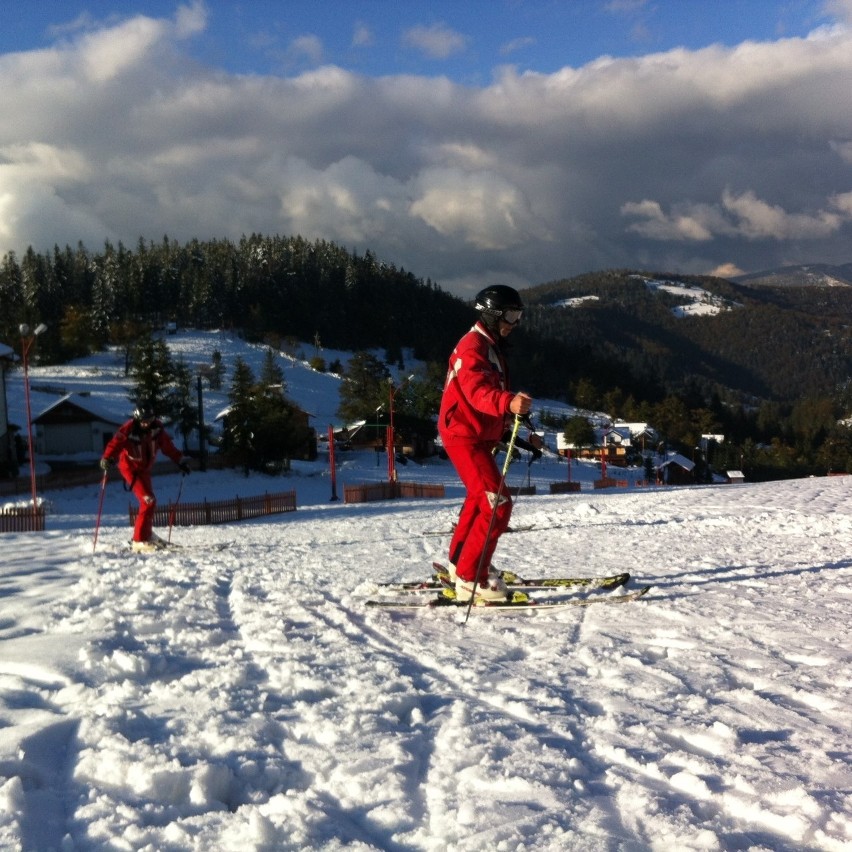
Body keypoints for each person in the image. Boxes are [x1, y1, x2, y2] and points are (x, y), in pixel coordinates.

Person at [438, 285, 542, 602]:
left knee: (480, 499)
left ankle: (460, 564)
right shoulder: (473, 347)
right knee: (497, 503)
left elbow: (490, 399)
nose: (515, 322)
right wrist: (508, 402)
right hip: (463, 434)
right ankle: (471, 577)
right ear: (493, 314)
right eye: (511, 314)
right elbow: (477, 392)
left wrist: (521, 426)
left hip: (475, 434)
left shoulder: (490, 346)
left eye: (519, 315)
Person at [100, 402, 191, 552]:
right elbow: (115, 443)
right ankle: (139, 540)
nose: (145, 423)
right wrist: (107, 457)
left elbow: (168, 447)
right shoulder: (129, 429)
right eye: (143, 420)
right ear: (137, 419)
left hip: (144, 470)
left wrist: (180, 461)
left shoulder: (157, 430)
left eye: (148, 420)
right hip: (130, 468)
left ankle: (146, 534)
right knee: (148, 500)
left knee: (151, 502)